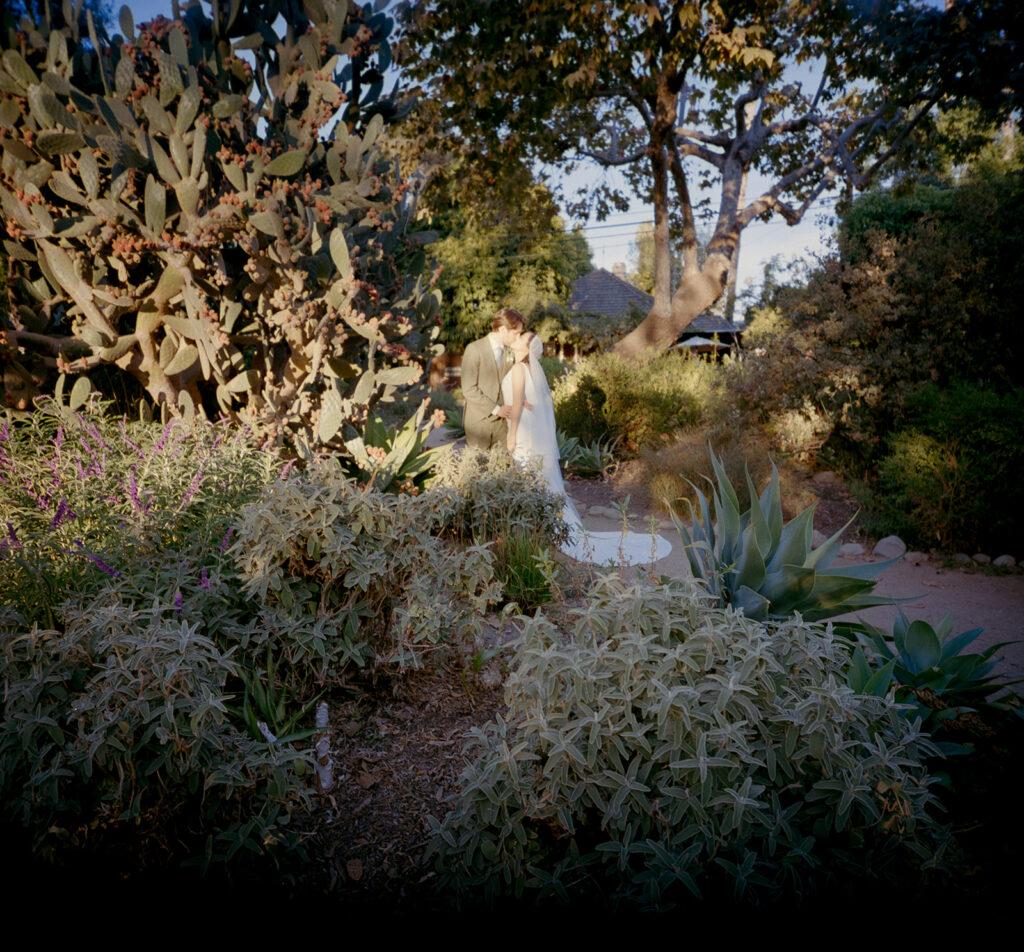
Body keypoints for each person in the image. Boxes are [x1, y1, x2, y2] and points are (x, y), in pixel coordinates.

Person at [503, 330, 672, 567]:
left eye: (522, 336)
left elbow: (518, 406)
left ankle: (548, 530)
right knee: (539, 482)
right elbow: (526, 402)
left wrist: (511, 437)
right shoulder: (526, 369)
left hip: (522, 435)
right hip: (529, 433)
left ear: (526, 347)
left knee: (533, 481)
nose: (518, 336)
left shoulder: (520, 369)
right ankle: (548, 528)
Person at [461, 308, 526, 451]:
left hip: (502, 424)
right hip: (479, 423)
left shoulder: (510, 353)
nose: (518, 338)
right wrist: (496, 410)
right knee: (477, 469)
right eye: (516, 333)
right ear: (502, 329)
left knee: (502, 469)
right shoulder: (474, 349)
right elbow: (468, 389)